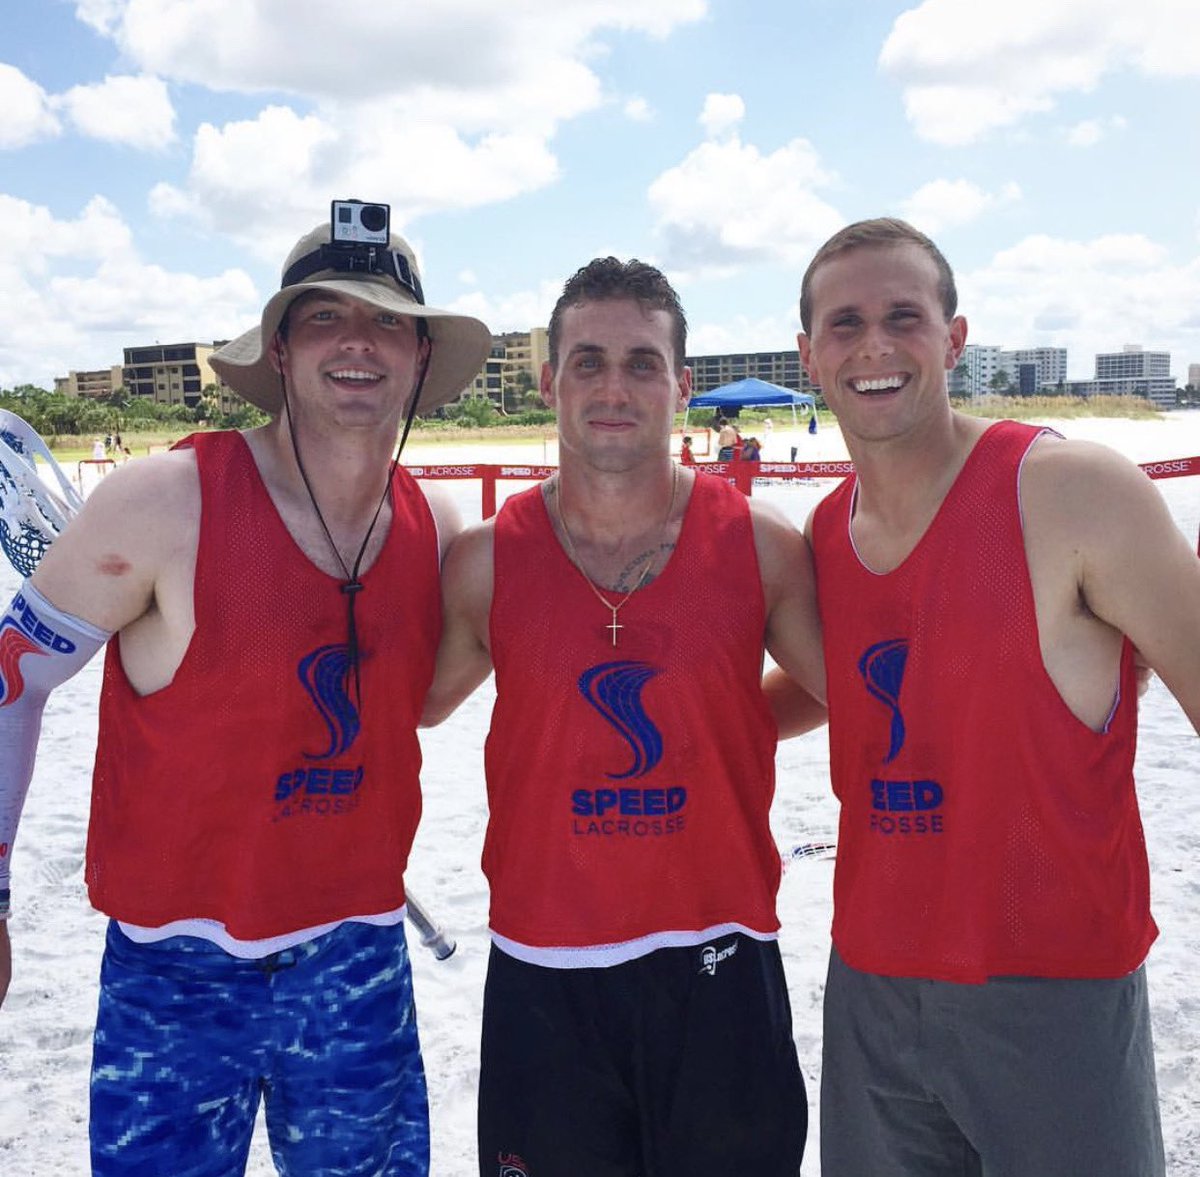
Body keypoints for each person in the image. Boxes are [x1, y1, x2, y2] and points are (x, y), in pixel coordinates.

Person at [0, 210, 492, 1174]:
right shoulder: (164, 499)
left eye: (388, 320)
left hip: (358, 956)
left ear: (422, 355)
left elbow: (412, 705)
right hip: (174, 971)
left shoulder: (434, 522)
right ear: (279, 346)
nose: (358, 340)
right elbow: (12, 684)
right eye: (324, 318)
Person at [774, 216, 1200, 1176]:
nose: (874, 345)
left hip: (1054, 990)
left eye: (903, 317)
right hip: (873, 982)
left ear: (954, 338)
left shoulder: (1070, 488)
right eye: (844, 324)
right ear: (808, 355)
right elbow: (856, 688)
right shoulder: (825, 534)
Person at [423, 257, 827, 1175]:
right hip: (543, 969)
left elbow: (856, 687)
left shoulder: (762, 546)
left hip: (720, 955)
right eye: (589, 360)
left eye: (643, 363)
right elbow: (409, 704)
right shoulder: (485, 561)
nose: (615, 386)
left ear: (681, 386)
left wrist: (734, 719)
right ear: (548, 380)